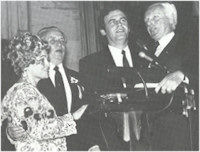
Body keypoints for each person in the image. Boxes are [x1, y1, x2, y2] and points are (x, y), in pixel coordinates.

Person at [6, 26, 101, 151]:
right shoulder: (28, 82)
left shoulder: (78, 78)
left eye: (62, 40)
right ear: (39, 46)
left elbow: (89, 118)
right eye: (52, 40)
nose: (59, 44)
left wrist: (93, 145)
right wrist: (10, 132)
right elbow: (12, 117)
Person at [79, 6, 146, 151]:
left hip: (147, 140)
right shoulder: (90, 64)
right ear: (103, 31)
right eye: (112, 22)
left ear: (129, 28)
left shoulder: (146, 59)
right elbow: (89, 107)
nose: (119, 25)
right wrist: (93, 144)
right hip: (109, 141)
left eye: (123, 20)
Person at [1, 32, 77, 151]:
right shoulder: (23, 91)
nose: (47, 64)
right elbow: (37, 128)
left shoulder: (25, 90)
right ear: (25, 64)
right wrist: (73, 117)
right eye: (42, 60)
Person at [141, 2, 198, 150]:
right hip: (152, 133)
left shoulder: (190, 42)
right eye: (147, 21)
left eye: (155, 18)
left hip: (180, 133)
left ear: (172, 20)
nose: (150, 24)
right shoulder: (147, 53)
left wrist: (182, 75)